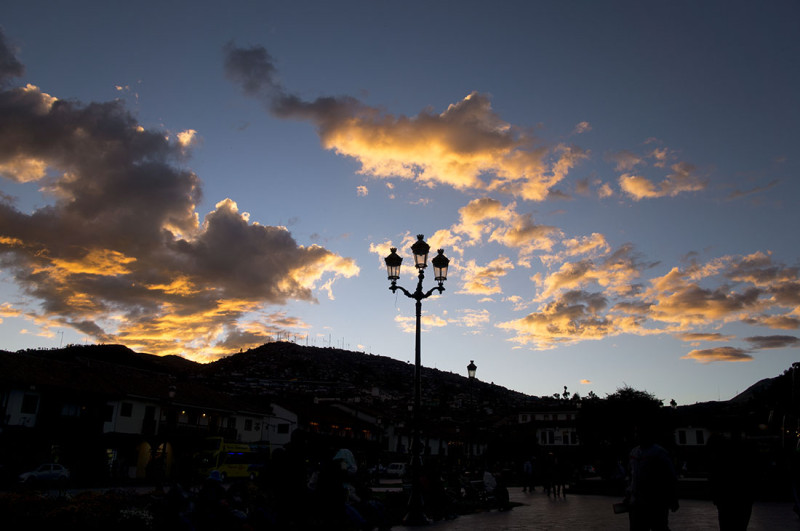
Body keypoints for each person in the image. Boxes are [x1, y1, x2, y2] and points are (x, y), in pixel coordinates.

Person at [626, 423, 679, 531]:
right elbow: (632, 477)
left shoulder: (659, 453)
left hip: (656, 502)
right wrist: (628, 495)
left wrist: (673, 498)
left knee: (658, 526)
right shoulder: (634, 452)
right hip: (637, 502)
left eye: (639, 433)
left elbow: (670, 477)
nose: (637, 435)